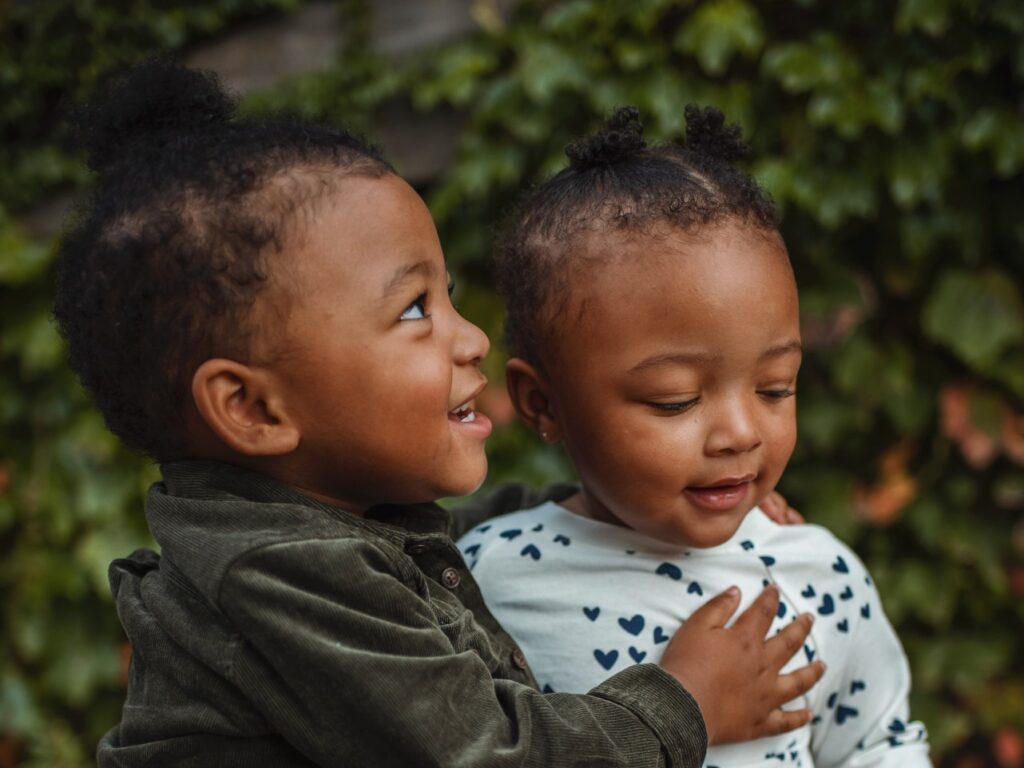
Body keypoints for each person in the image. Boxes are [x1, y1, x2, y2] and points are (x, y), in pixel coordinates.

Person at [54, 62, 825, 767]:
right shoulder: (282, 574)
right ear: (254, 407)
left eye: (449, 293)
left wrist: (604, 509)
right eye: (416, 308)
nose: (473, 338)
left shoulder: (318, 528)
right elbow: (490, 755)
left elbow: (435, 542)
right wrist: (684, 699)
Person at [457, 106, 931, 767]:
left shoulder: (817, 576)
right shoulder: (483, 581)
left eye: (775, 388)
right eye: (675, 400)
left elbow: (880, 744)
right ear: (544, 403)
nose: (739, 433)